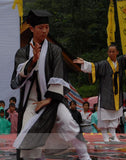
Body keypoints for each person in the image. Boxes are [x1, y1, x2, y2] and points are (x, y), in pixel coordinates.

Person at [10, 10, 91, 160]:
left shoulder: (54, 50)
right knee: (30, 134)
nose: (45, 31)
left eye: (47, 27)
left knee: (68, 122)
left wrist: (49, 100)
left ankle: (84, 155)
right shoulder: (22, 52)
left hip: (53, 100)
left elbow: (59, 75)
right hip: (32, 102)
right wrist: (33, 60)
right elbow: (18, 77)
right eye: (40, 27)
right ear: (31, 28)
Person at [73, 44, 126, 142]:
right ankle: (105, 136)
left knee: (114, 117)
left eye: (113, 51)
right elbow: (94, 66)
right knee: (104, 117)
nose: (111, 53)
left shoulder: (120, 61)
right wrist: (84, 62)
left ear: (117, 52)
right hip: (106, 93)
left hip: (116, 94)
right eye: (109, 51)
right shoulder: (104, 64)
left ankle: (114, 136)